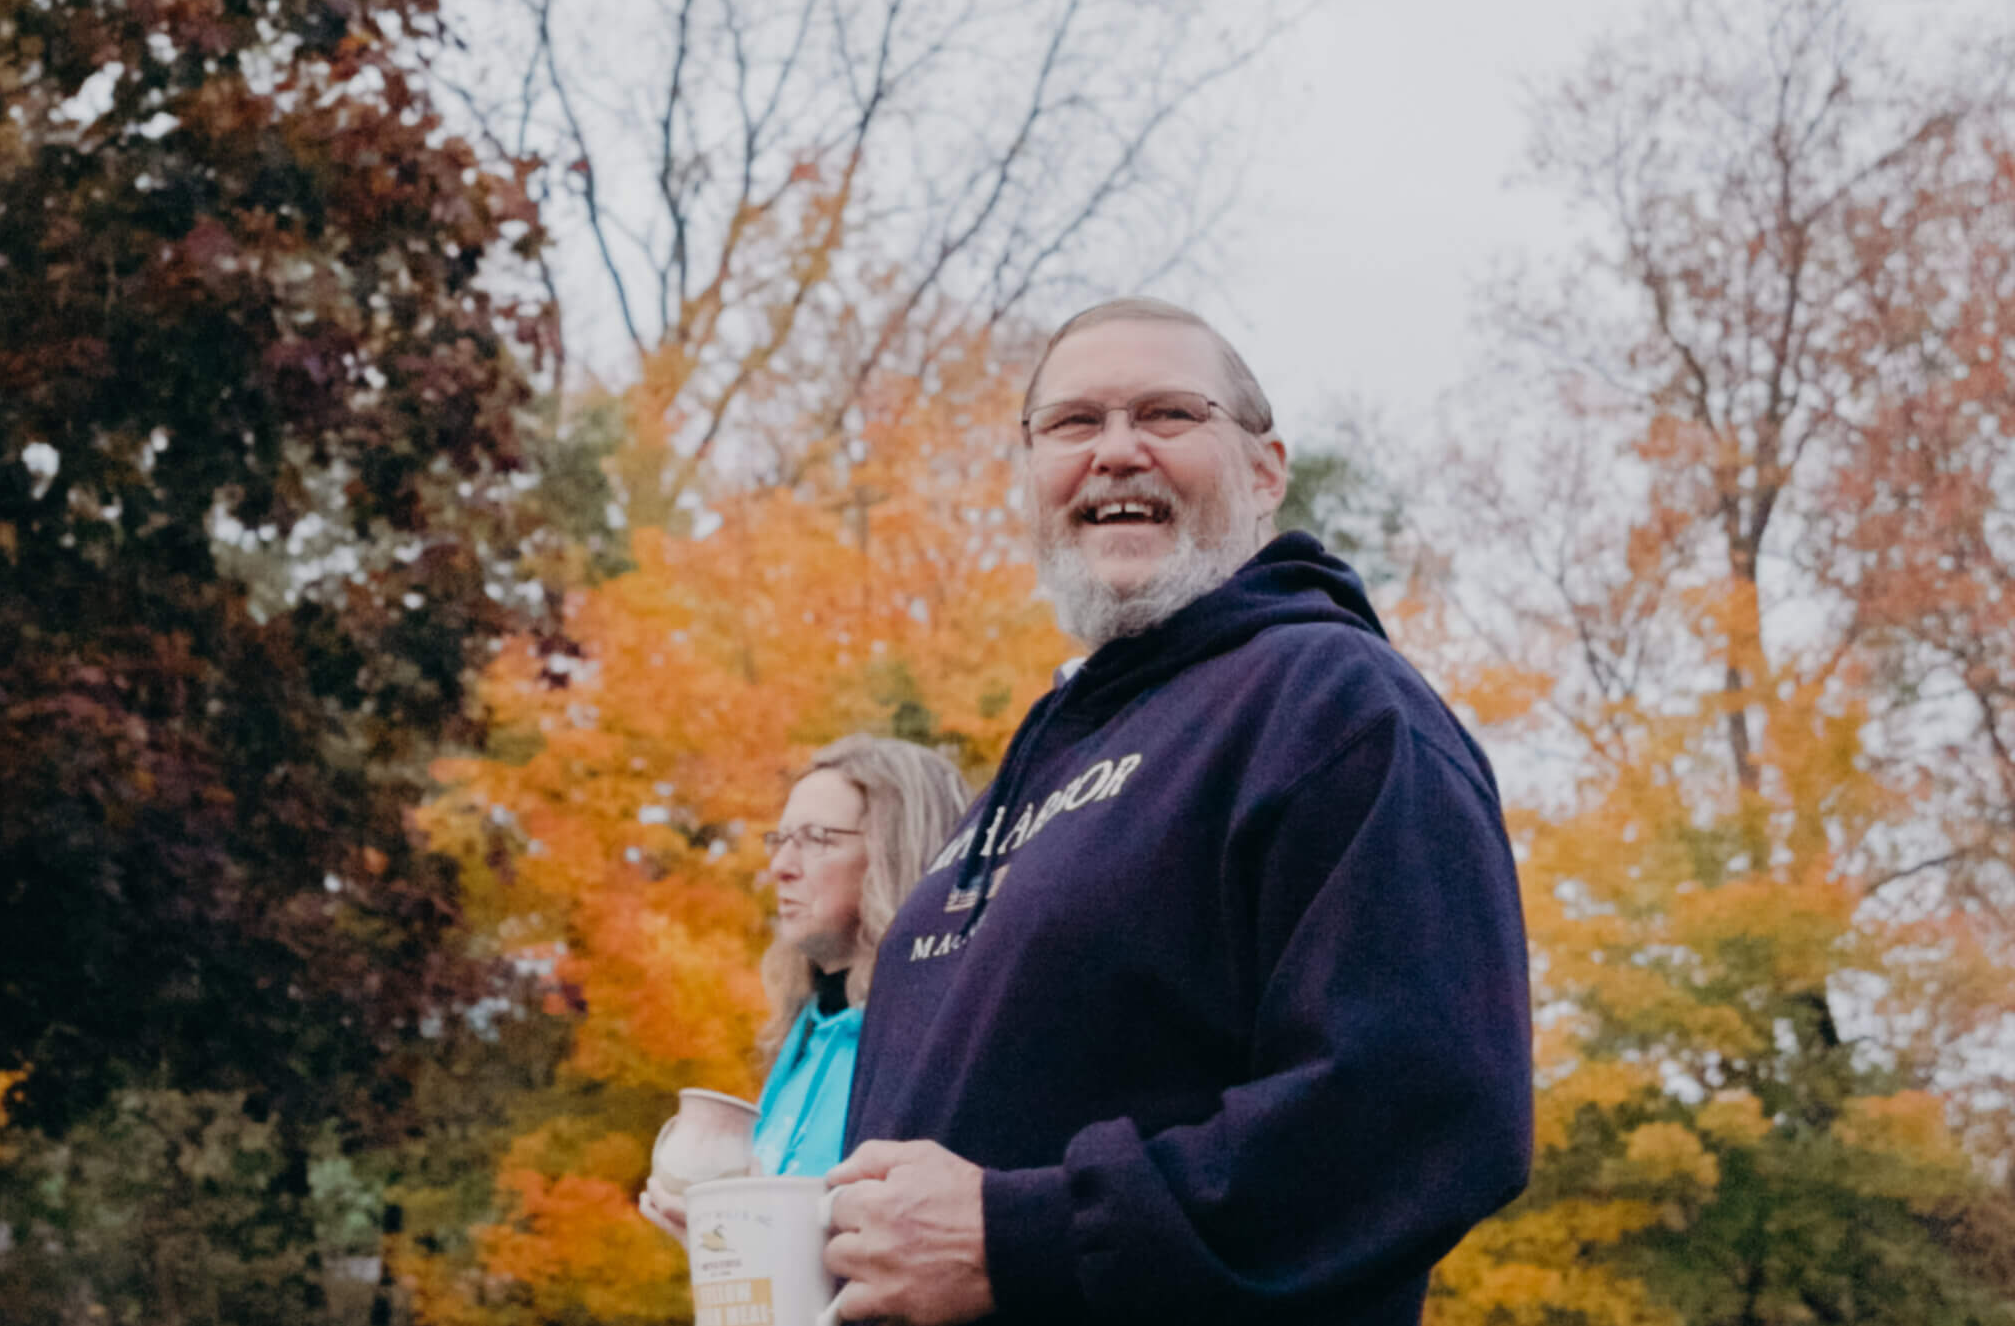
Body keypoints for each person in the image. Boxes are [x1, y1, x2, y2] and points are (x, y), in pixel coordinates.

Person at [819, 298, 1533, 1326]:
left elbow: (1419, 1106)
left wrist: (1019, 1237)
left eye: (1166, 413)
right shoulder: (1024, 777)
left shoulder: (1334, 705)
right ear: (1029, 472)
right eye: (1072, 424)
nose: (1116, 452)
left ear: (1264, 470)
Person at [641, 734, 969, 1241]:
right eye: (780, 839)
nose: (780, 868)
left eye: (816, 839)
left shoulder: (943, 1044)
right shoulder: (803, 1039)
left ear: (897, 853)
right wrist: (714, 1237)